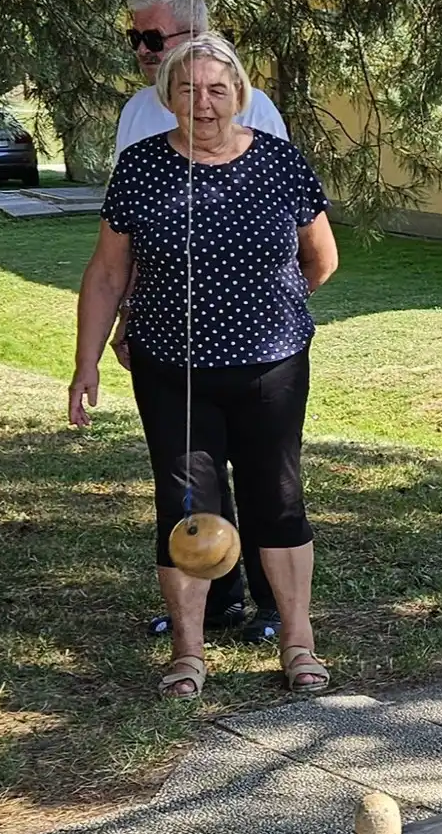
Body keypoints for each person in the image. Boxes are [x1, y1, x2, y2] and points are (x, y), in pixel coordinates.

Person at [71, 34, 339, 699]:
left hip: (271, 365)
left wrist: (268, 307)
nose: (204, 102)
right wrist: (86, 363)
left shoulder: (279, 160)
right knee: (185, 507)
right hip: (172, 369)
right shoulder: (140, 167)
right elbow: (107, 273)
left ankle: (299, 642)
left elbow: (321, 257)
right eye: (188, 89)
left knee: (277, 501)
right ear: (168, 98)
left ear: (240, 95)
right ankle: (188, 653)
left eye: (218, 89)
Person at [112, 0, 288, 642]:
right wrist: (128, 313)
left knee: (266, 476)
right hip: (166, 337)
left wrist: (271, 311)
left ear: (196, 36)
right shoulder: (137, 113)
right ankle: (214, 605)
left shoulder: (258, 110)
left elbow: (291, 230)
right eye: (133, 38)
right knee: (188, 477)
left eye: (152, 37)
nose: (141, 50)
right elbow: (122, 234)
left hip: (254, 338)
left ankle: (275, 607)